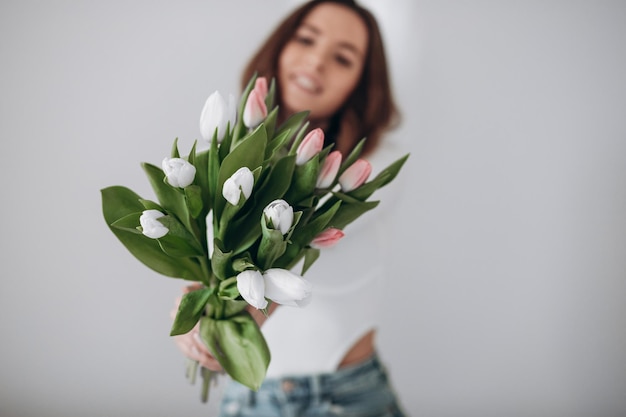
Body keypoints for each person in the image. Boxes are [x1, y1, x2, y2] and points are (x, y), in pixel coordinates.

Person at [173, 1, 408, 415]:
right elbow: (215, 257)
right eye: (306, 39)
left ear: (361, 82)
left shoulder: (374, 161)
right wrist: (195, 303)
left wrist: (252, 306)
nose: (316, 62)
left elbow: (299, 239)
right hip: (244, 396)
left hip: (337, 397)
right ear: (281, 45)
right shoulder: (227, 153)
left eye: (342, 58)